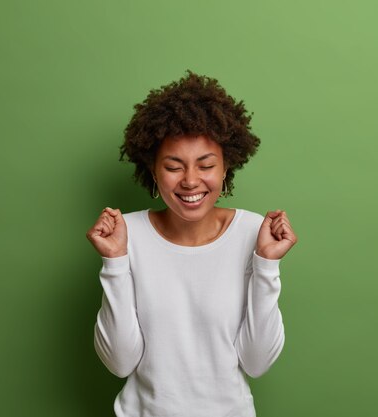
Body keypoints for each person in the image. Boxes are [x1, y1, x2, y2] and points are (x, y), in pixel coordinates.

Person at [86, 70, 297, 417]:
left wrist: (266, 265)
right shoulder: (127, 235)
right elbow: (120, 363)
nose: (190, 181)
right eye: (173, 166)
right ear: (153, 170)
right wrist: (115, 263)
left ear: (226, 166)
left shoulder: (253, 233)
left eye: (206, 165)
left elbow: (257, 362)